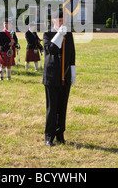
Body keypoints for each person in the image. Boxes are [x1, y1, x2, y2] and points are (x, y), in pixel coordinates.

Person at [42, 10, 76, 146]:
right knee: (52, 108)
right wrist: (59, 35)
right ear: (54, 21)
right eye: (59, 20)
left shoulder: (69, 35)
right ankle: (49, 137)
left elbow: (72, 55)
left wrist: (72, 74)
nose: (62, 23)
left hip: (65, 76)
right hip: (51, 76)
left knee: (62, 108)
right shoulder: (47, 34)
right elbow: (51, 50)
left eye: (63, 20)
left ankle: (60, 135)